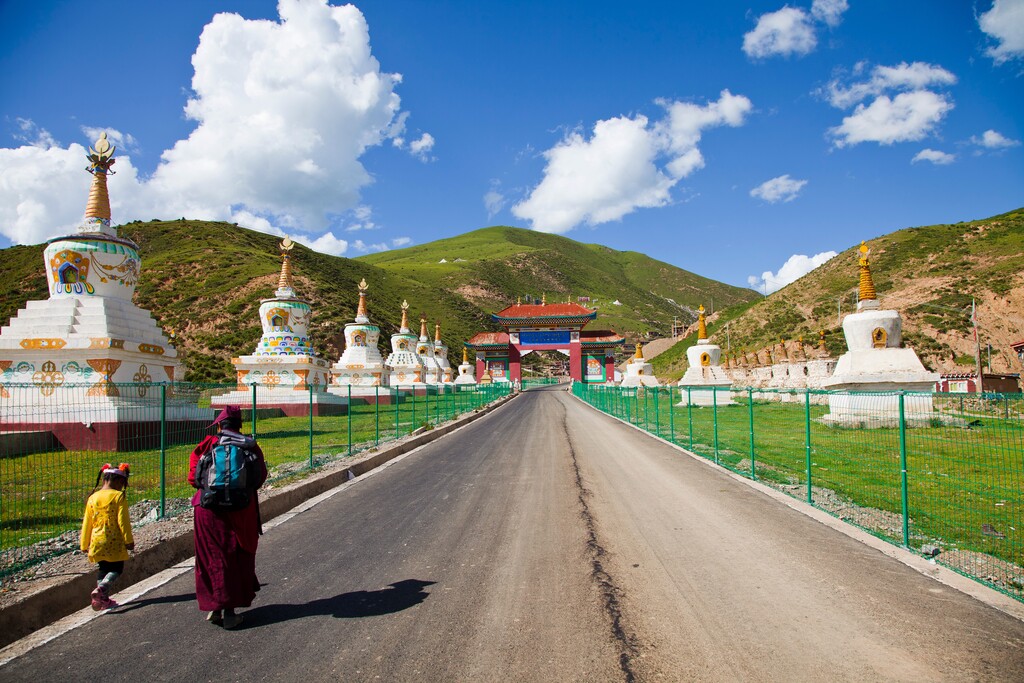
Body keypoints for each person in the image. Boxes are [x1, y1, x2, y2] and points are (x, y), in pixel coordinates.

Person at [188, 405, 267, 629]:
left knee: (212, 557)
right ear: (239, 424)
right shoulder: (250, 445)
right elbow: (259, 477)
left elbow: (193, 478)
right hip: (241, 509)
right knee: (234, 556)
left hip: (208, 509)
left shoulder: (207, 445)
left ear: (219, 425)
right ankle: (230, 613)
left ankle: (215, 607)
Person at [80, 462, 135, 611]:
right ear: (118, 481)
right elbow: (123, 521)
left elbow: (87, 522)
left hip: (96, 541)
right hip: (114, 540)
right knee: (117, 569)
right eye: (122, 484)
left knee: (103, 568)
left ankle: (102, 600)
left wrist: (84, 544)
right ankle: (102, 589)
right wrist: (128, 540)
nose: (122, 487)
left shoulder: (93, 497)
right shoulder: (118, 496)